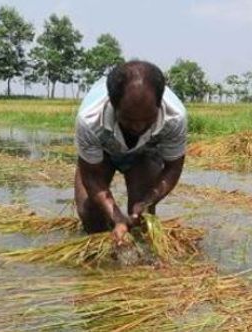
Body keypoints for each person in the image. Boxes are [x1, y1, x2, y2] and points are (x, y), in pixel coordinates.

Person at [74, 60, 186, 244]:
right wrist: (116, 216)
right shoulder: (89, 119)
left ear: (159, 104)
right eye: (128, 119)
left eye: (148, 119)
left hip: (145, 153)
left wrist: (148, 201)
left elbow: (173, 167)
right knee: (91, 215)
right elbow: (92, 177)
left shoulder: (175, 118)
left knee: (141, 219)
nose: (138, 126)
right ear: (113, 105)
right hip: (104, 153)